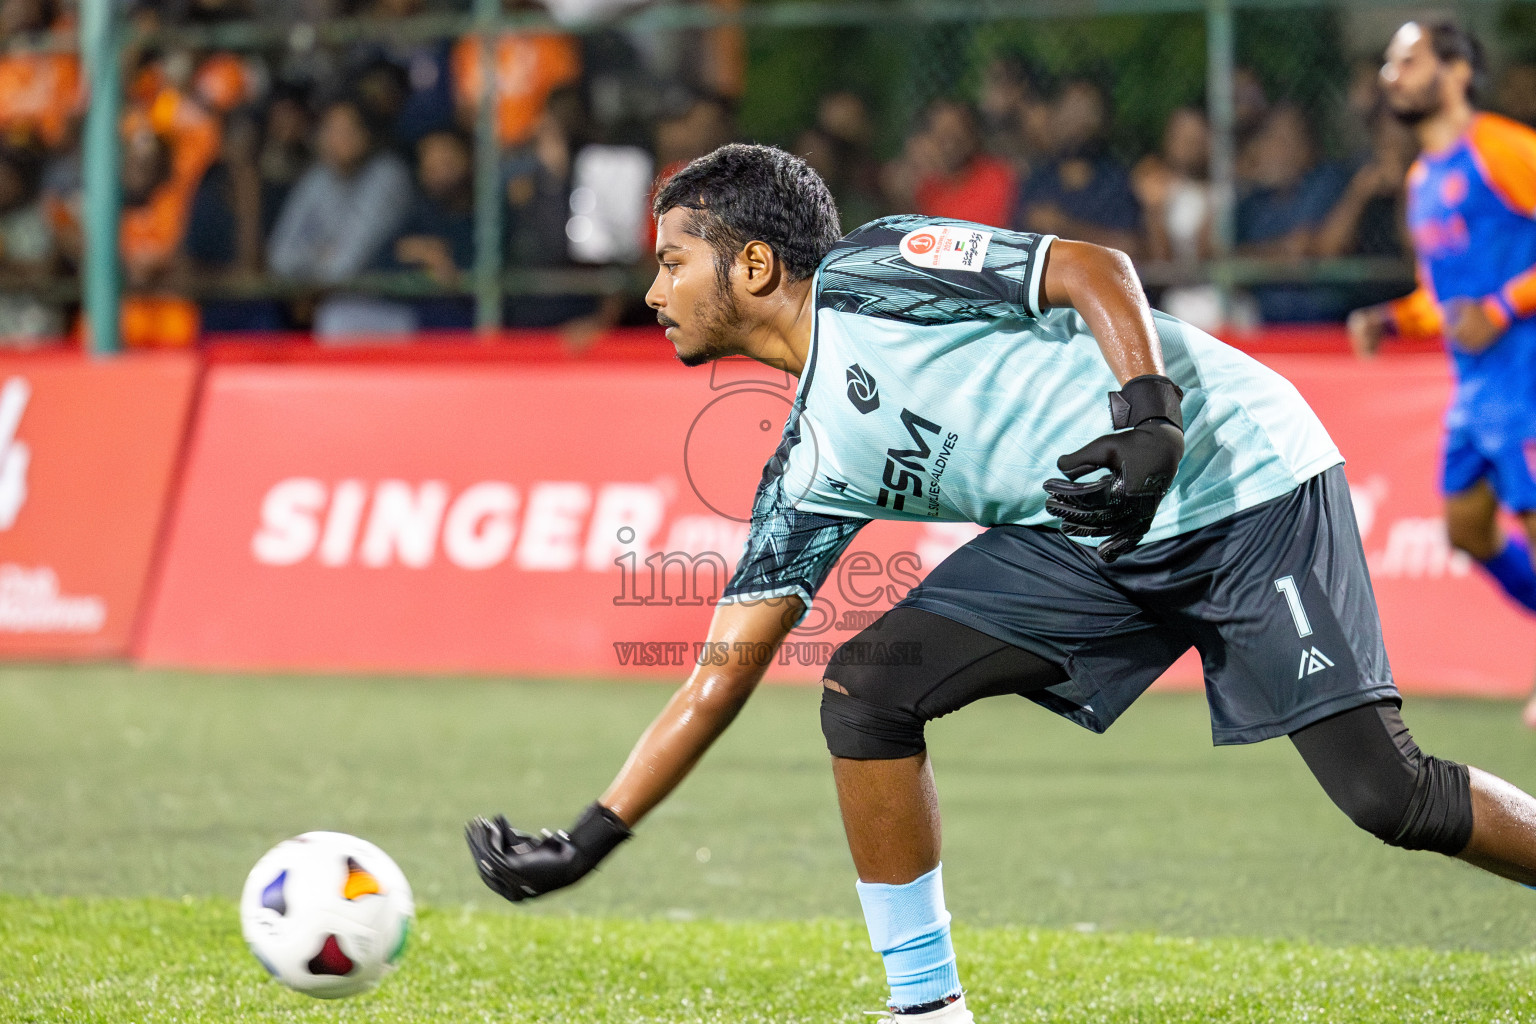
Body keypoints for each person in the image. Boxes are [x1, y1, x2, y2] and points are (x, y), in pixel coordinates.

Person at [466, 142, 1536, 1022]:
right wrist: (591, 835)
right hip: (1092, 533)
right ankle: (926, 1010)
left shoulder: (876, 268)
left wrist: (1149, 417)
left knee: (1385, 796)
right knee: (868, 691)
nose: (651, 291)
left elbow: (1092, 269)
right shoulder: (808, 469)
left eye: (670, 262)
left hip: (1237, 475)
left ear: (750, 268)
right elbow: (718, 674)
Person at [1346, 22, 1536, 728]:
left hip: (1526, 374)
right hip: (1477, 387)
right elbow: (1443, 299)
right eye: (1391, 63)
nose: (1393, 73)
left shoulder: (1502, 150)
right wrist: (1394, 320)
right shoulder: (1424, 180)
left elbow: (1487, 302)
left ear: (1456, 72)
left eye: (1411, 59)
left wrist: (1505, 305)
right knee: (1467, 531)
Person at [1013, 77, 1141, 256]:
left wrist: (1065, 227)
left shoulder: (1115, 181)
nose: (1076, 120)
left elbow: (1130, 249)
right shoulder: (1036, 181)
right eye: (1069, 108)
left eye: (1087, 110)